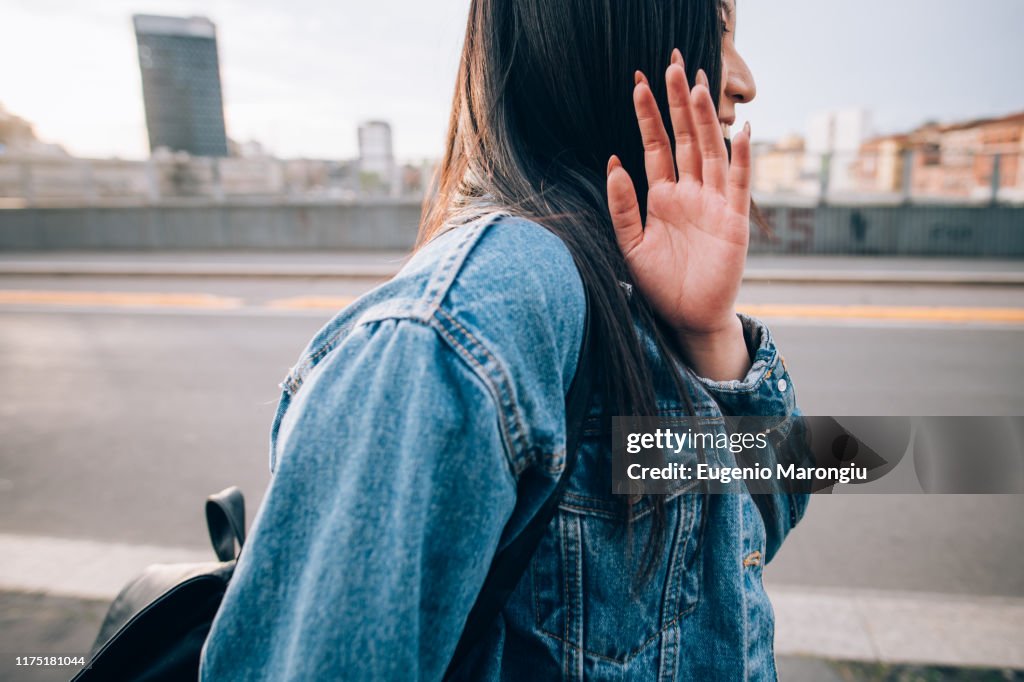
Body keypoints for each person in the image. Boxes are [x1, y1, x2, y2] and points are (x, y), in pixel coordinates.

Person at [200, 0, 809, 679]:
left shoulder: (631, 278)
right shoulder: (479, 313)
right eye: (718, 28)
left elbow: (748, 543)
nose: (745, 79)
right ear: (601, 30)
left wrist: (709, 335)